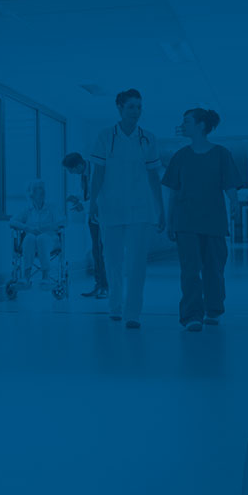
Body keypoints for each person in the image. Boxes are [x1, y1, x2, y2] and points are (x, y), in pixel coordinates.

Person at [88, 89, 165, 329]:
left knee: (137, 263)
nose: (136, 111)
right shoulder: (105, 136)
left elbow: (154, 176)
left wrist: (160, 208)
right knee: (112, 261)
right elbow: (97, 173)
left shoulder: (148, 139)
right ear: (120, 108)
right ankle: (115, 306)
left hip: (140, 210)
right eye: (131, 107)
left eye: (139, 107)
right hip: (110, 208)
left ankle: (133, 313)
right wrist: (92, 203)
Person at [161, 108, 243, 332]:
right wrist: (169, 222)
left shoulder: (221, 154)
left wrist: (234, 202)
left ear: (200, 125)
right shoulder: (180, 157)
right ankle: (191, 315)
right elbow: (174, 194)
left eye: (186, 121)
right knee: (189, 270)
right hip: (185, 222)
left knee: (214, 268)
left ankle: (213, 309)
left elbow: (229, 184)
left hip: (214, 221)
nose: (182, 124)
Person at [62, 152, 108, 299]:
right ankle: (99, 284)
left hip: (104, 216)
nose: (72, 174)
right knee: (96, 251)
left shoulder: (98, 171)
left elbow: (102, 196)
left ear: (80, 165)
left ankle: (105, 287)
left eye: (72, 170)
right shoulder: (84, 174)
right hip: (93, 216)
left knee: (103, 251)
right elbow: (89, 194)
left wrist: (84, 204)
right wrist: (78, 199)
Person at [10, 180, 61, 288]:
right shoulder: (27, 209)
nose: (42, 192)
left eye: (43, 189)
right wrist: (27, 227)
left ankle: (45, 276)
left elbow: (63, 221)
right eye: (38, 189)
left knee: (41, 238)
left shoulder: (52, 207)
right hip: (32, 242)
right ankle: (26, 277)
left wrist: (45, 228)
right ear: (31, 194)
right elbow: (12, 221)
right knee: (29, 238)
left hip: (50, 240)